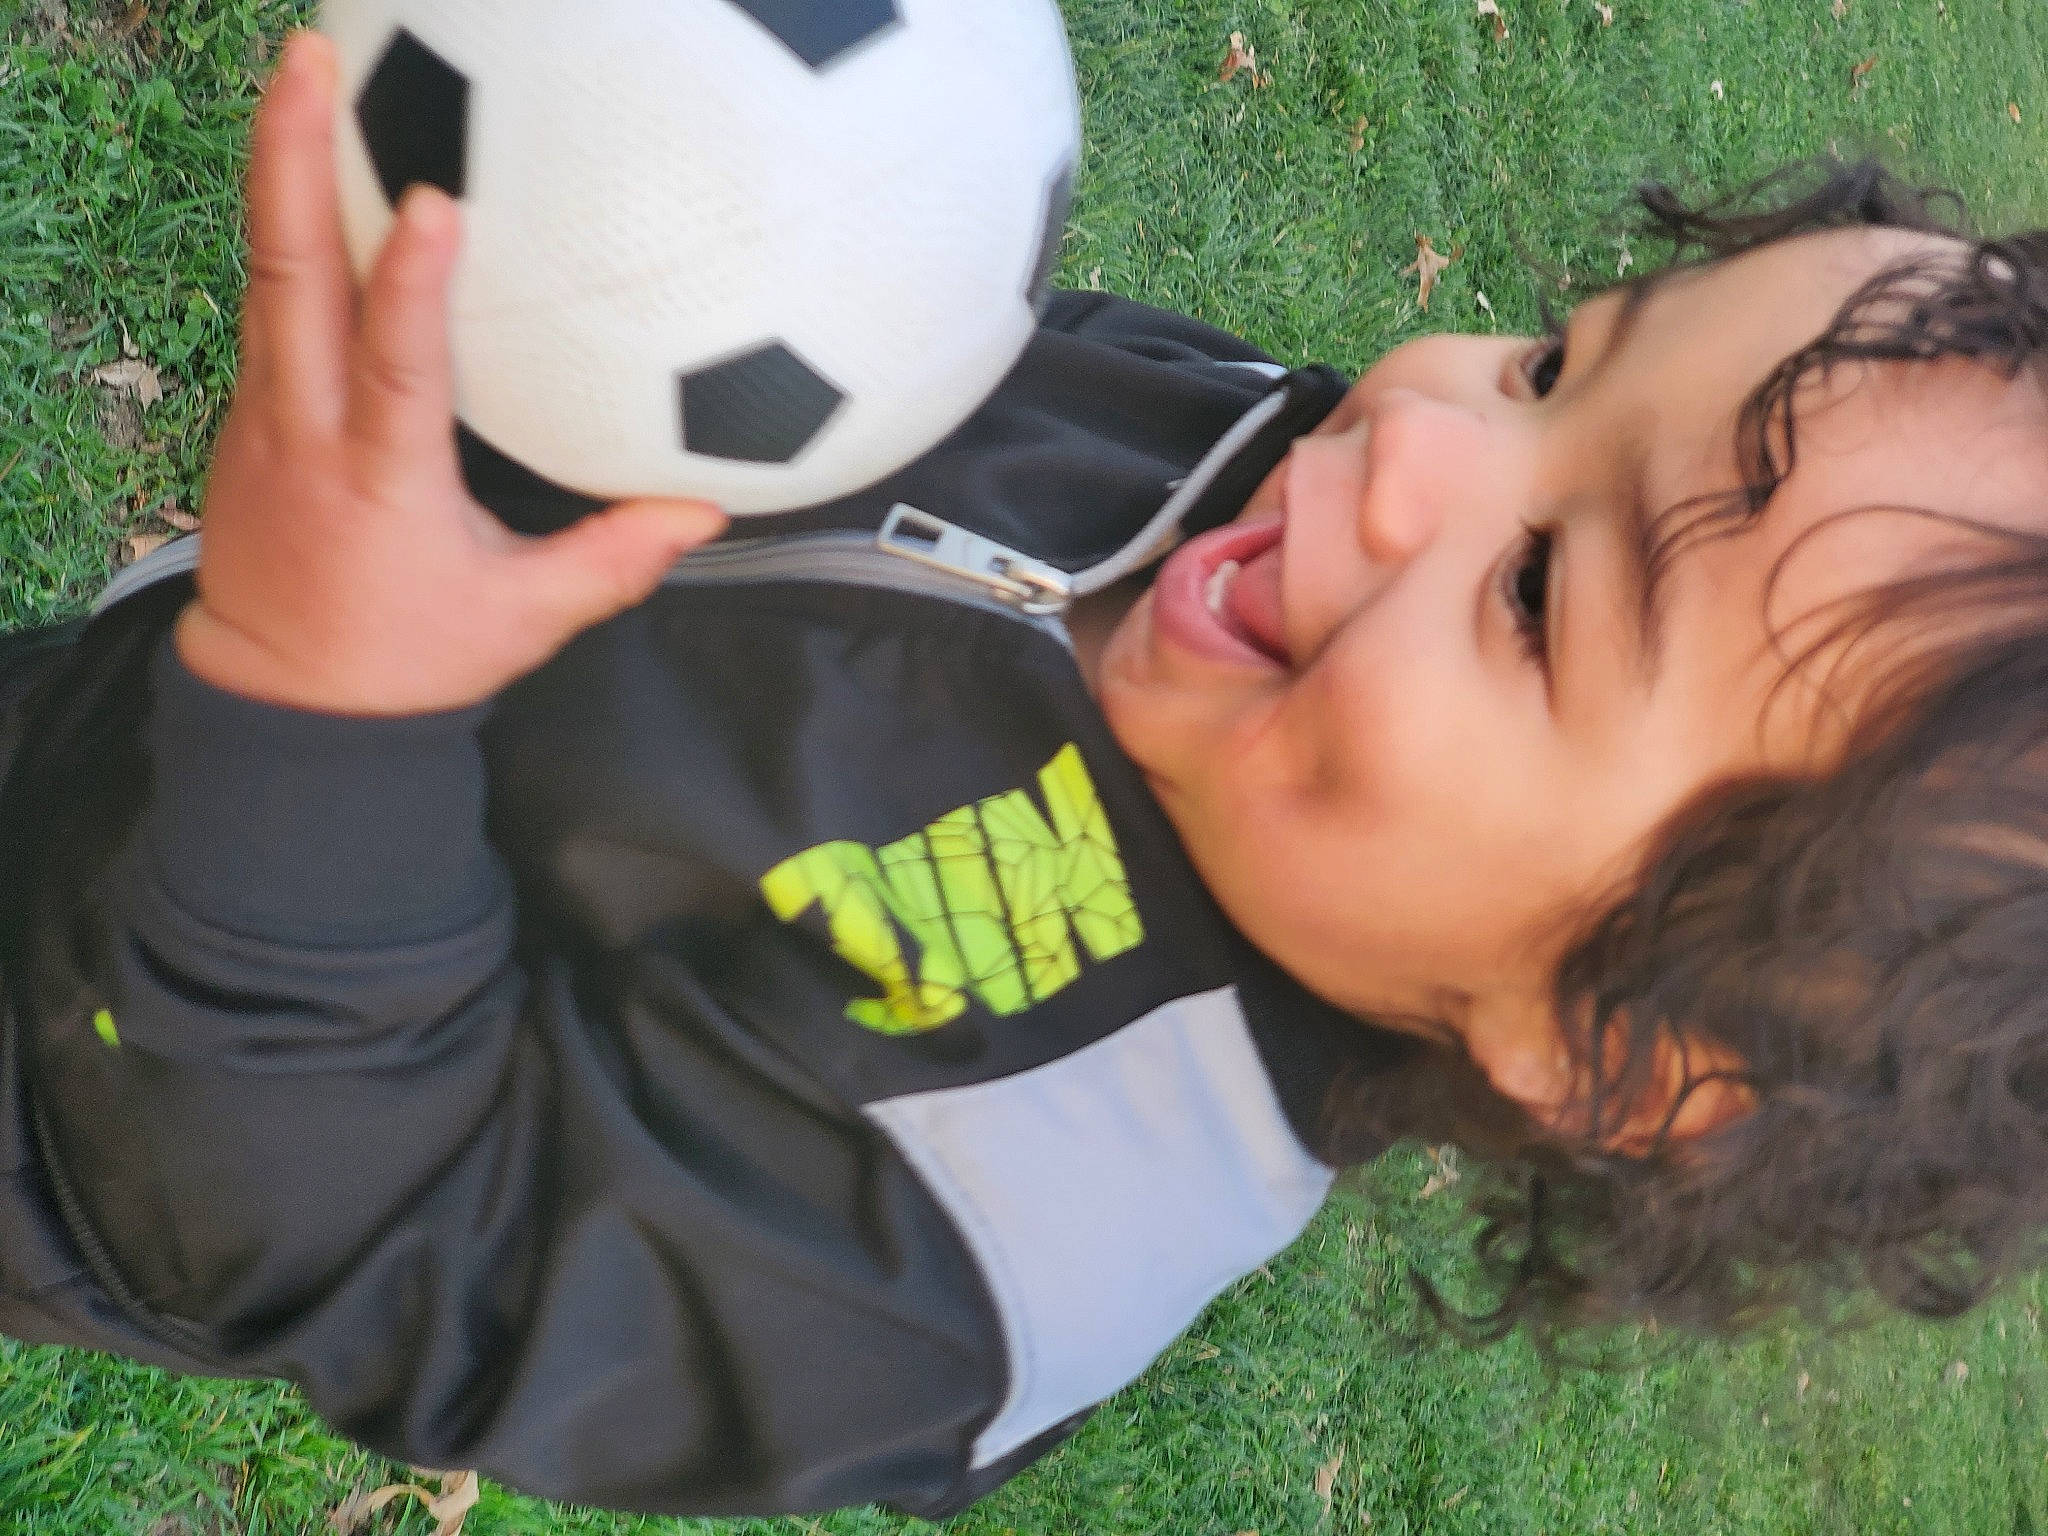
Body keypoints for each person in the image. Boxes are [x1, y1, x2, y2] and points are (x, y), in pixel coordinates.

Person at [4, 26, 2047, 1519]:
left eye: (1535, 589)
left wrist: (315, 704)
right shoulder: (1254, 466)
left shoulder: (1006, 1240)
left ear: (1617, 1046)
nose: (1410, 430)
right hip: (89, 727)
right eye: (1549, 367)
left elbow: (370, 1244)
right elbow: (820, 404)